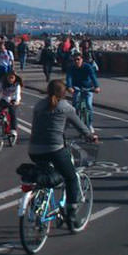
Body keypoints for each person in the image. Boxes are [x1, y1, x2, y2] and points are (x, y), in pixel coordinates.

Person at [29, 79, 98, 218]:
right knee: (71, 177)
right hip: (54, 149)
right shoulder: (65, 107)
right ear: (64, 92)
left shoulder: (39, 105)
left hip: (34, 150)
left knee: (47, 174)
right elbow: (81, 126)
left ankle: (38, 200)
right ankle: (71, 214)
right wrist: (91, 137)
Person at [65, 52, 101, 130]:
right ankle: (73, 119)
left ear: (82, 60)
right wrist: (69, 87)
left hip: (88, 87)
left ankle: (90, 124)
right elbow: (69, 78)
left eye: (78, 59)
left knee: (88, 105)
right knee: (75, 104)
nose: (76, 61)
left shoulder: (87, 67)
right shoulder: (71, 68)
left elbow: (93, 76)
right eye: (74, 60)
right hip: (77, 87)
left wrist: (97, 87)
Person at [0, 70, 23, 142]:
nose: (10, 79)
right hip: (4, 100)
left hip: (13, 101)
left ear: (15, 78)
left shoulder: (17, 85)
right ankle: (2, 121)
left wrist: (17, 101)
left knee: (12, 113)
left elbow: (17, 94)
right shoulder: (2, 83)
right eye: (9, 77)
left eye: (12, 78)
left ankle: (13, 129)